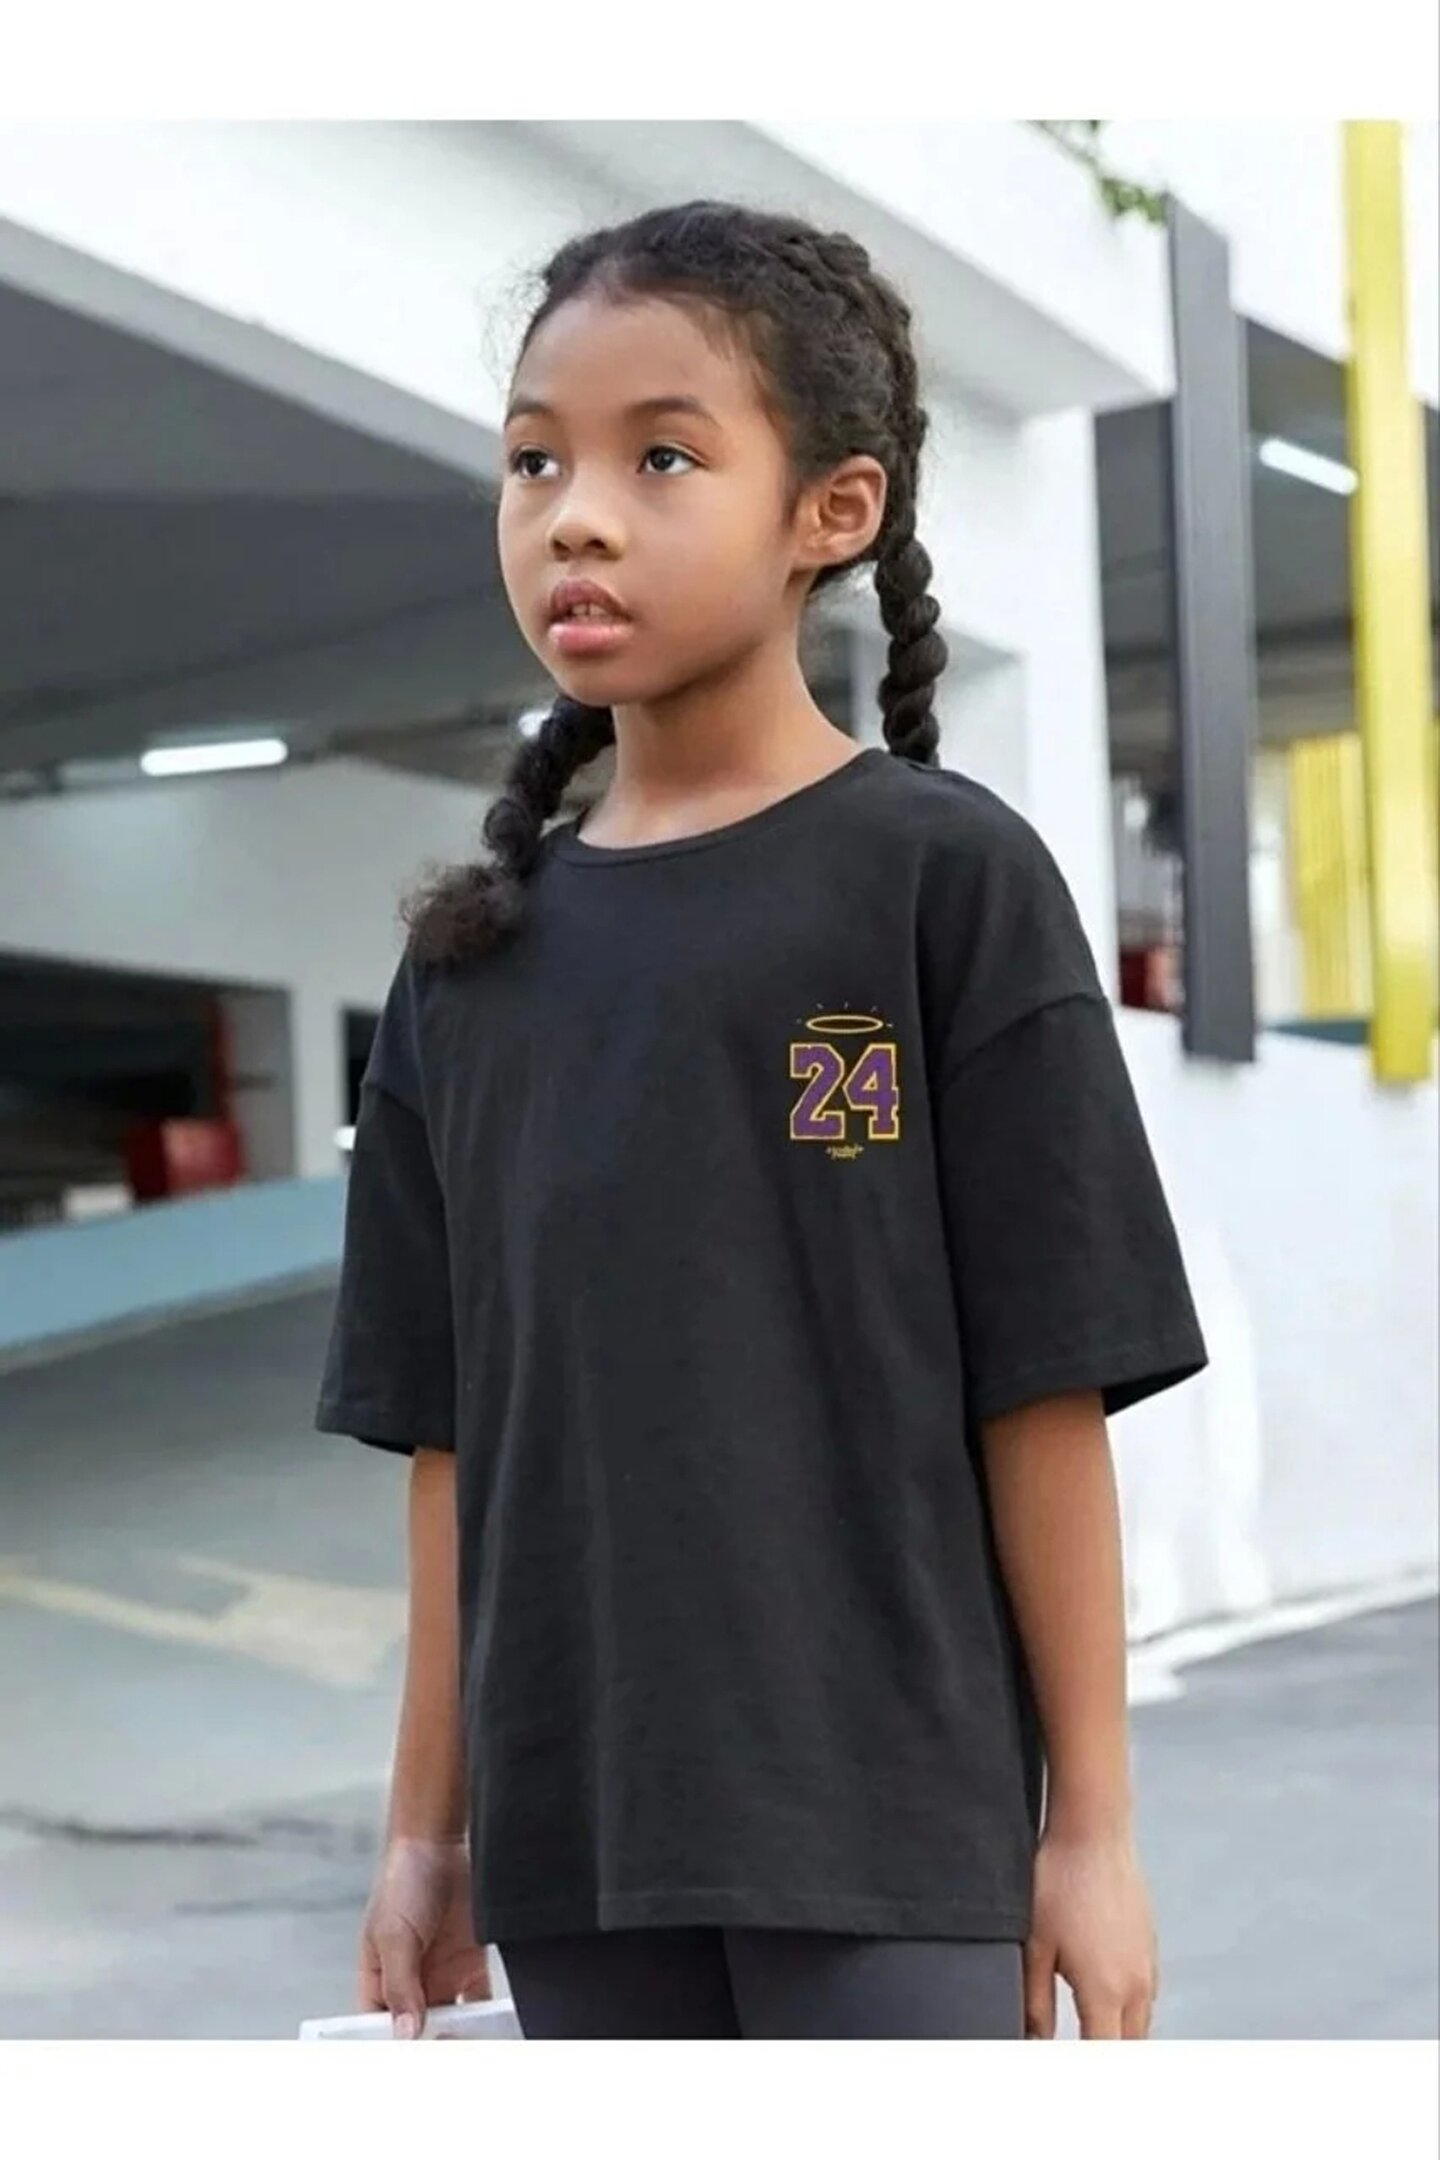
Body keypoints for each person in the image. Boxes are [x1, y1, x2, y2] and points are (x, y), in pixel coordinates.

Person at [314, 199, 1209, 2042]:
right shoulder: (470, 968)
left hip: (892, 1835)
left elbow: (1043, 1388)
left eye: (661, 457)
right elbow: (451, 1445)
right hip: (579, 1848)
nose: (575, 515)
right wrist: (427, 1831)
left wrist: (1092, 1831)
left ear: (834, 511)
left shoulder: (940, 886)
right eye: (535, 461)